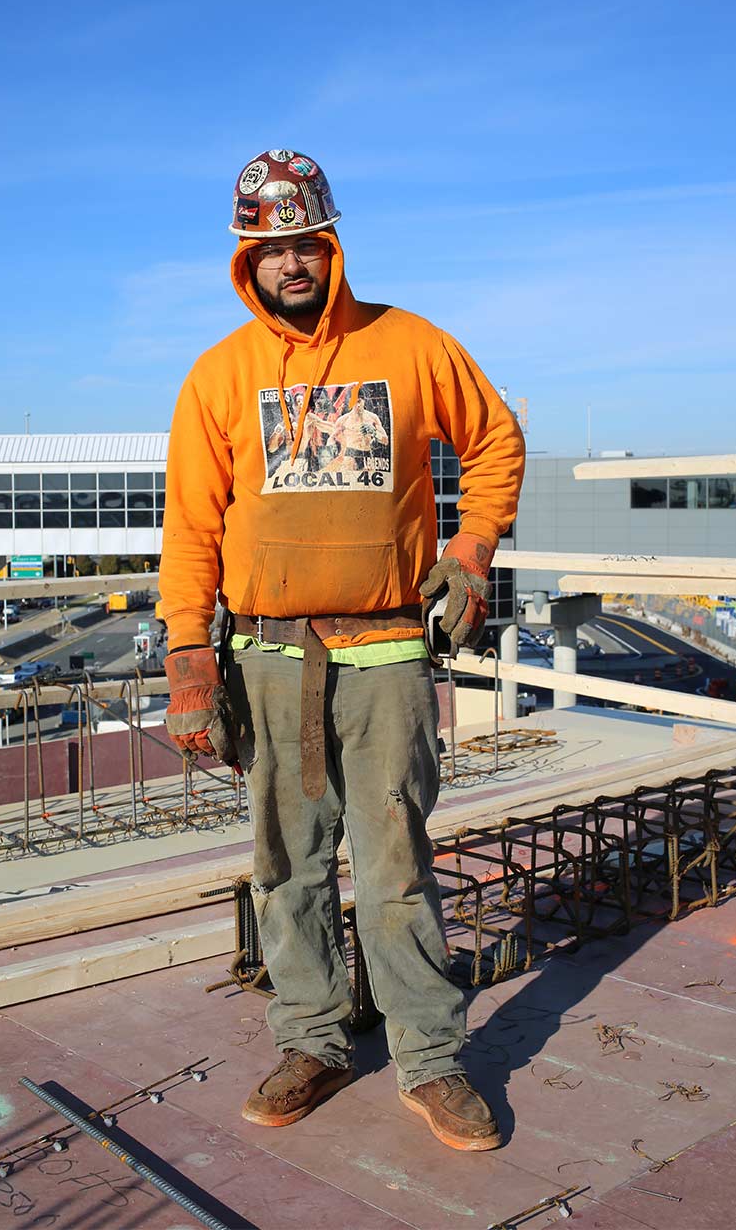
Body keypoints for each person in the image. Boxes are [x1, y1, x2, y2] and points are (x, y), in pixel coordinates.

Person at [159, 149, 524, 1152]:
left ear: (331, 245)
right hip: (267, 662)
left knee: (396, 864)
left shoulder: (408, 346)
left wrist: (471, 549)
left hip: (387, 656)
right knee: (287, 865)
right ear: (248, 259)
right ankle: (314, 1041)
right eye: (269, 249)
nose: (290, 263)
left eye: (304, 244)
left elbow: (492, 441)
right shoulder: (221, 376)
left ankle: (431, 1059)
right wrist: (189, 659)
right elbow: (190, 525)